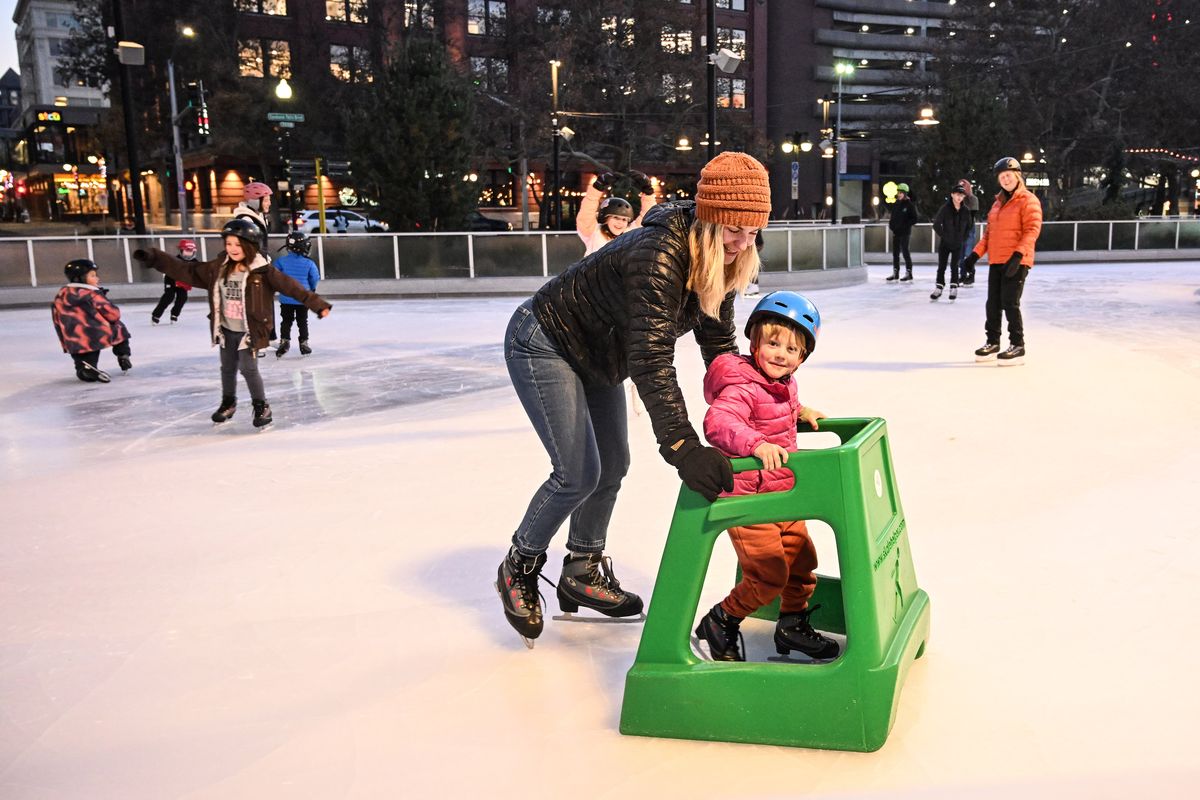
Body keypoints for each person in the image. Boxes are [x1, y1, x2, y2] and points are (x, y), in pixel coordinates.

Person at [496, 151, 770, 646]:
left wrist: (754, 400)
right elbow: (650, 359)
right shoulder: (659, 254)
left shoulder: (720, 261)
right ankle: (519, 564)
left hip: (600, 356)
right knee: (577, 472)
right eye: (734, 230)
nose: (742, 243)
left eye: (753, 233)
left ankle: (582, 567)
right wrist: (684, 448)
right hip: (546, 340)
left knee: (613, 464)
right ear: (710, 221)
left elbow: (718, 345)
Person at [696, 291, 839, 662]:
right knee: (769, 576)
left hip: (781, 497)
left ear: (802, 357)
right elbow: (720, 422)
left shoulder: (785, 383)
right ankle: (722, 618)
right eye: (773, 343)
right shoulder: (741, 385)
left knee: (803, 565)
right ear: (755, 341)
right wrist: (755, 444)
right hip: (748, 502)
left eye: (792, 350)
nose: (781, 354)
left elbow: (779, 407)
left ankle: (791, 625)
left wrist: (800, 410)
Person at [132, 219, 332, 428]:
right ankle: (228, 403)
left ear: (250, 246)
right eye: (229, 244)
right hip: (225, 328)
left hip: (250, 329)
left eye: (238, 244)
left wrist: (317, 304)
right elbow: (186, 270)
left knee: (248, 369)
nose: (233, 249)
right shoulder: (218, 268)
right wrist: (155, 258)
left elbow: (292, 287)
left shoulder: (262, 271)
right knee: (227, 368)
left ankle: (261, 406)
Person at [962, 158, 1043, 366]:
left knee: (1010, 302)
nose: (1006, 179)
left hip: (1017, 261)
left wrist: (1018, 255)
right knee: (993, 303)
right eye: (1002, 177)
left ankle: (1017, 345)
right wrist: (973, 256)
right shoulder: (997, 204)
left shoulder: (1028, 200)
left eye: (1009, 175)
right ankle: (993, 342)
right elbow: (989, 236)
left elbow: (1032, 230)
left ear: (1018, 176)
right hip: (997, 260)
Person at [52, 259, 133, 383]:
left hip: (74, 337)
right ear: (80, 278)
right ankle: (123, 354)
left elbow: (56, 318)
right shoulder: (92, 294)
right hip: (96, 333)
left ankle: (84, 369)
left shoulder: (60, 296)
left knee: (83, 358)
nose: (97, 278)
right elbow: (113, 315)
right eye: (93, 276)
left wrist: (64, 337)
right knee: (119, 328)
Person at [576, 170, 657, 255]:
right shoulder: (594, 233)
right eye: (615, 217)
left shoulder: (630, 234)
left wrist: (648, 191)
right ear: (606, 218)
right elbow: (586, 213)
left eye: (624, 220)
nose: (620, 223)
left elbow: (648, 217)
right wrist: (597, 187)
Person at [273, 231, 321, 357]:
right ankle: (304, 343)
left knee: (286, 321)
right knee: (302, 321)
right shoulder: (309, 263)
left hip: (286, 298)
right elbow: (315, 278)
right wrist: (312, 289)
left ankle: (284, 341)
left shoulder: (281, 261)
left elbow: (273, 275)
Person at [930, 184, 973, 301]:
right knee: (941, 266)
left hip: (958, 244)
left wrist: (962, 239)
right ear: (952, 195)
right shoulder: (945, 209)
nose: (959, 197)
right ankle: (939, 287)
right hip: (945, 244)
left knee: (955, 266)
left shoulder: (965, 211)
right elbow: (936, 225)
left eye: (962, 195)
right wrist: (945, 236)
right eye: (957, 195)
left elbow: (969, 226)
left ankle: (954, 287)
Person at [150, 239, 196, 324]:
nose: (188, 254)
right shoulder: (174, 260)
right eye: (186, 251)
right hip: (171, 280)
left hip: (183, 283)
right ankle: (156, 315)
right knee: (169, 296)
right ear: (181, 251)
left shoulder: (195, 262)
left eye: (190, 252)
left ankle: (174, 314)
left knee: (182, 298)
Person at [886, 182, 919, 283]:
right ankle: (896, 273)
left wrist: (905, 225)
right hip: (896, 232)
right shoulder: (896, 204)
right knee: (895, 253)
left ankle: (909, 273)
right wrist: (892, 225)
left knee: (905, 252)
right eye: (898, 192)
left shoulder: (909, 205)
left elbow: (915, 219)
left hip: (905, 232)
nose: (899, 194)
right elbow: (893, 217)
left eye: (901, 193)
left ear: (905, 194)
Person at [233, 182, 272, 249]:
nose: (269, 203)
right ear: (254, 202)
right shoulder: (246, 220)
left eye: (269, 200)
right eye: (266, 201)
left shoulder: (260, 217)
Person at [957, 178, 980, 286]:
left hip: (969, 229)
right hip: (960, 229)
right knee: (960, 254)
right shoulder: (957, 200)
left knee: (967, 253)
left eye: (964, 187)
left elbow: (971, 215)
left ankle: (971, 274)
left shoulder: (973, 199)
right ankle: (962, 275)